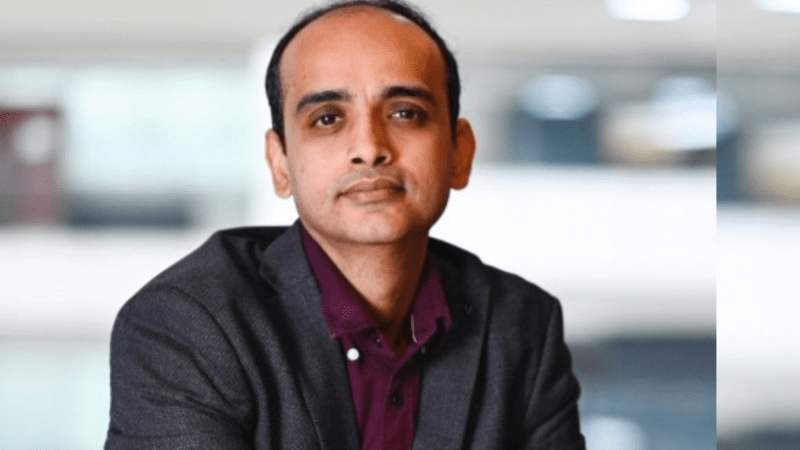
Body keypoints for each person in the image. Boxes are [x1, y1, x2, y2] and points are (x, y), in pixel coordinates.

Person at [104, 1, 585, 449]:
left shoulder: (522, 326)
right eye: (328, 118)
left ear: (460, 153)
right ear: (280, 164)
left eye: (405, 113)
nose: (369, 148)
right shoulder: (186, 326)